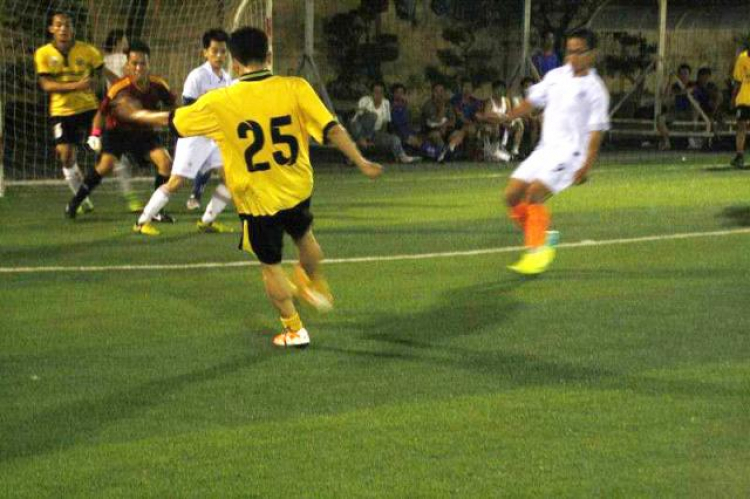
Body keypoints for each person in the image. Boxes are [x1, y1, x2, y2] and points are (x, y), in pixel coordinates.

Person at [114, 27, 383, 348]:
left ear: (235, 63)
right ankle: (315, 282)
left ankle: (294, 329)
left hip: (257, 199)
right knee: (305, 236)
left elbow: (172, 120)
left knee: (270, 267)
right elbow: (332, 129)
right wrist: (362, 161)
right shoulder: (295, 87)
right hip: (296, 188)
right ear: (268, 56)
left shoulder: (221, 100)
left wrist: (138, 113)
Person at [493, 28, 610, 275]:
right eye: (570, 51)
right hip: (545, 149)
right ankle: (542, 235)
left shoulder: (595, 89)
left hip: (570, 155)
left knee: (534, 194)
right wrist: (508, 116)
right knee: (511, 196)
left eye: (579, 52)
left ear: (592, 54)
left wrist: (586, 166)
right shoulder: (555, 75)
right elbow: (533, 101)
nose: (573, 57)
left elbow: (596, 132)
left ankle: (536, 253)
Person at [134, 29, 235, 236]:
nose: (219, 56)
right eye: (214, 51)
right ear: (204, 52)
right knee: (176, 183)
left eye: (223, 52)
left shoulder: (226, 78)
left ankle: (207, 220)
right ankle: (142, 221)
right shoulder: (196, 76)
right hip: (194, 138)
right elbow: (188, 108)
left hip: (213, 139)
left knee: (231, 179)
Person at [65, 40, 176, 221]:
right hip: (118, 134)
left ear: (149, 64)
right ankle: (75, 202)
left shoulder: (159, 85)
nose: (139, 67)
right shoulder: (119, 88)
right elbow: (101, 114)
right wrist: (95, 134)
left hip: (144, 135)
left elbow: (174, 106)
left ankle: (155, 210)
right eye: (134, 63)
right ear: (127, 65)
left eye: (143, 63)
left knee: (166, 163)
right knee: (105, 166)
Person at [34, 11, 103, 213]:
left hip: (89, 108)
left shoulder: (88, 51)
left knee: (110, 149)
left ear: (73, 29)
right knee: (65, 156)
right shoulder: (43, 53)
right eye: (59, 25)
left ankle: (130, 194)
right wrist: (78, 85)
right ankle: (82, 200)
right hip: (61, 111)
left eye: (67, 25)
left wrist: (96, 85)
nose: (63, 29)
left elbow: (99, 75)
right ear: (51, 29)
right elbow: (46, 85)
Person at [91, 28, 142, 213]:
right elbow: (126, 81)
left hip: (113, 110)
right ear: (119, 42)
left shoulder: (104, 61)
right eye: (125, 40)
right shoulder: (123, 59)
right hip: (124, 111)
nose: (127, 43)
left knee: (110, 161)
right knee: (116, 160)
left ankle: (83, 195)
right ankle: (131, 197)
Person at [349, 82, 420, 164]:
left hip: (374, 134)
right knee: (372, 116)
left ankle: (402, 157)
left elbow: (385, 124)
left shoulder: (386, 103)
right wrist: (361, 137)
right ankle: (356, 151)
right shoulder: (365, 100)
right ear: (371, 93)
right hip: (360, 132)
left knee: (394, 139)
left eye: (381, 92)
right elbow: (355, 121)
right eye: (376, 92)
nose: (378, 95)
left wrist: (381, 138)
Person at [421, 81, 464, 161]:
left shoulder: (448, 105)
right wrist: (441, 109)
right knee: (436, 135)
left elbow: (452, 121)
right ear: (433, 93)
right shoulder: (428, 105)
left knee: (459, 133)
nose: (440, 94)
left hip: (446, 130)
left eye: (441, 91)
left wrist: (445, 125)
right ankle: (442, 153)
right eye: (437, 91)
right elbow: (433, 122)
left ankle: (448, 150)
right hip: (431, 132)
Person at [657, 63, 694, 151]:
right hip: (675, 112)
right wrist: (670, 80)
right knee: (660, 119)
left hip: (689, 113)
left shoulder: (692, 84)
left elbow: (688, 91)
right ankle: (667, 142)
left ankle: (693, 140)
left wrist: (676, 94)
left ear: (689, 75)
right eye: (681, 74)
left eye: (685, 73)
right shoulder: (675, 86)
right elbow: (666, 97)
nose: (683, 76)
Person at [730, 45, 750, 169]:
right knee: (741, 127)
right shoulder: (742, 58)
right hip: (743, 99)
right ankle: (739, 155)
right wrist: (733, 98)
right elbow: (737, 81)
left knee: (741, 128)